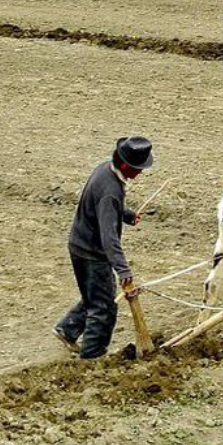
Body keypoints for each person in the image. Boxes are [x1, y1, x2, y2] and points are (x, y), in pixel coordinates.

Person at [54, 135, 153, 359]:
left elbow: (102, 205)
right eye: (139, 168)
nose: (141, 172)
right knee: (104, 307)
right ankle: (92, 356)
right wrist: (123, 270)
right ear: (126, 166)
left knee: (95, 294)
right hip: (93, 253)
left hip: (78, 244)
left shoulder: (105, 170)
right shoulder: (111, 191)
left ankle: (67, 329)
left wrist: (126, 215)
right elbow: (109, 237)